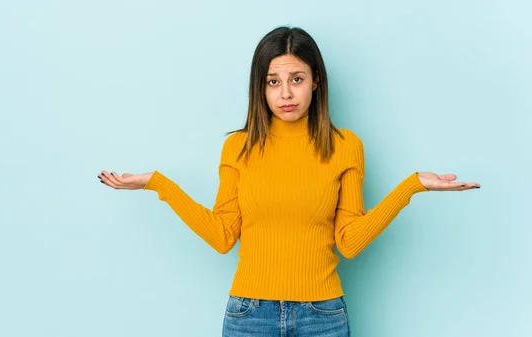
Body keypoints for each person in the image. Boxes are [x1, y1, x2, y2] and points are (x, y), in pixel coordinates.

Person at [97, 26, 480, 337]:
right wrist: (160, 185)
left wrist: (411, 186)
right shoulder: (238, 147)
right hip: (249, 315)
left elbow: (349, 241)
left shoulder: (346, 147)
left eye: (296, 79)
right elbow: (222, 235)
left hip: (323, 315)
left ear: (316, 81)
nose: (285, 93)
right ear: (259, 88)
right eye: (272, 81)